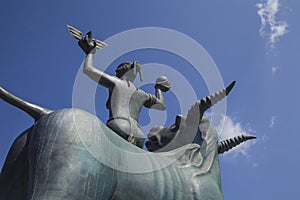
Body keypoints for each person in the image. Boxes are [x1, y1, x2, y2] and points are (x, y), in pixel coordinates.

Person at [78, 33, 171, 148]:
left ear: (119, 72)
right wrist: (158, 88)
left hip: (119, 125)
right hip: (138, 134)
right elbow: (161, 105)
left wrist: (90, 53)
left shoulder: (116, 82)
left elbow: (88, 69)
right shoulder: (142, 94)